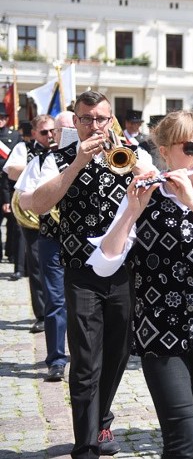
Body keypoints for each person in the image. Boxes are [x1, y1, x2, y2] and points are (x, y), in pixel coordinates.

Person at [86, 110, 193, 459]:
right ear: (164, 151)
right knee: (180, 436)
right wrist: (132, 211)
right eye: (192, 147)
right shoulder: (143, 197)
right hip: (161, 333)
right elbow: (105, 263)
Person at [29, 91, 152, 459]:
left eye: (101, 118)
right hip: (81, 270)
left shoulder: (133, 152)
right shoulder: (58, 157)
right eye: (87, 119)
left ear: (111, 120)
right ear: (77, 121)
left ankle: (102, 419)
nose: (95, 125)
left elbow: (154, 188)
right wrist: (77, 164)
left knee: (117, 353)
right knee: (86, 359)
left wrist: (136, 171)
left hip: (124, 270)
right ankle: (86, 444)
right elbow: (38, 204)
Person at [18, 111, 75, 381]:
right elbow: (24, 199)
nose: (62, 135)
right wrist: (47, 195)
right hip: (53, 238)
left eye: (70, 129)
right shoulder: (40, 160)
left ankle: (86, 355)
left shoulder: (99, 158)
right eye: (59, 130)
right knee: (56, 299)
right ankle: (56, 359)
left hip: (86, 244)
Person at [4, 114, 56, 335]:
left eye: (53, 131)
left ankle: (60, 310)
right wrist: (40, 163)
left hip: (59, 214)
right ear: (34, 133)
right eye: (44, 132)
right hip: (33, 216)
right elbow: (11, 170)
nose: (50, 135)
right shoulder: (24, 149)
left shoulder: (63, 149)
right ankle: (42, 314)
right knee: (37, 265)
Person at [0, 108, 23, 270]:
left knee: (14, 224)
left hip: (9, 184)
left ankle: (13, 253)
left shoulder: (15, 136)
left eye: (3, 117)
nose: (0, 120)